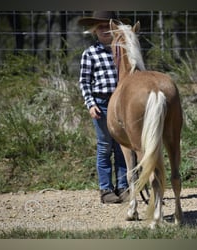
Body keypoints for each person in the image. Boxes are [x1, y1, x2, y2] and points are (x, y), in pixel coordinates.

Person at [78, 11, 130, 204]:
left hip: (122, 104)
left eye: (108, 26)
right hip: (101, 104)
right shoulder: (90, 54)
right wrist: (90, 104)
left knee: (122, 147)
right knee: (104, 147)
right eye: (100, 27)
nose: (105, 30)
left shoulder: (123, 51)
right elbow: (84, 82)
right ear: (94, 31)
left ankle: (123, 186)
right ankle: (106, 189)